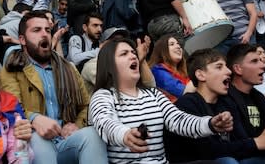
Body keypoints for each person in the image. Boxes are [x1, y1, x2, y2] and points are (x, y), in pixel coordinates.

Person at [88, 38, 233, 163]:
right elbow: (105, 123)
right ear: (109, 65)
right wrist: (124, 135)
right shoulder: (103, 96)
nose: (133, 56)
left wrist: (210, 124)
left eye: (133, 52)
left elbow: (178, 120)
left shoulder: (153, 94)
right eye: (124, 54)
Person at [0, 11, 108, 164]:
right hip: (33, 142)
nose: (44, 34)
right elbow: (10, 108)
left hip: (65, 140)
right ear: (22, 40)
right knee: (37, 137)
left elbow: (86, 105)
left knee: (92, 135)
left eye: (47, 30)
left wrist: (76, 126)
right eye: (37, 30)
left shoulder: (68, 68)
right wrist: (34, 119)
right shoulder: (12, 68)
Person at [166, 48, 265, 163]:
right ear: (201, 75)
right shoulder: (186, 105)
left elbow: (241, 143)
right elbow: (206, 151)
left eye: (226, 66)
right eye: (219, 67)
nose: (228, 71)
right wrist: (256, 142)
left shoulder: (227, 103)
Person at [226, 44, 265, 151]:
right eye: (254, 61)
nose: (262, 65)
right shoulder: (226, 99)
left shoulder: (259, 98)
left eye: (260, 60)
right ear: (238, 69)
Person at [81, 27, 153, 95]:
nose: (119, 44)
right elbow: (120, 89)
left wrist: (142, 60)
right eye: (114, 41)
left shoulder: (131, 60)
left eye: (122, 40)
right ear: (101, 45)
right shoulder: (92, 65)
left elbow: (151, 87)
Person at [149, 34, 195, 102]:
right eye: (172, 44)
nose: (178, 47)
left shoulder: (182, 71)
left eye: (178, 44)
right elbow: (184, 92)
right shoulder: (157, 70)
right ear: (162, 50)